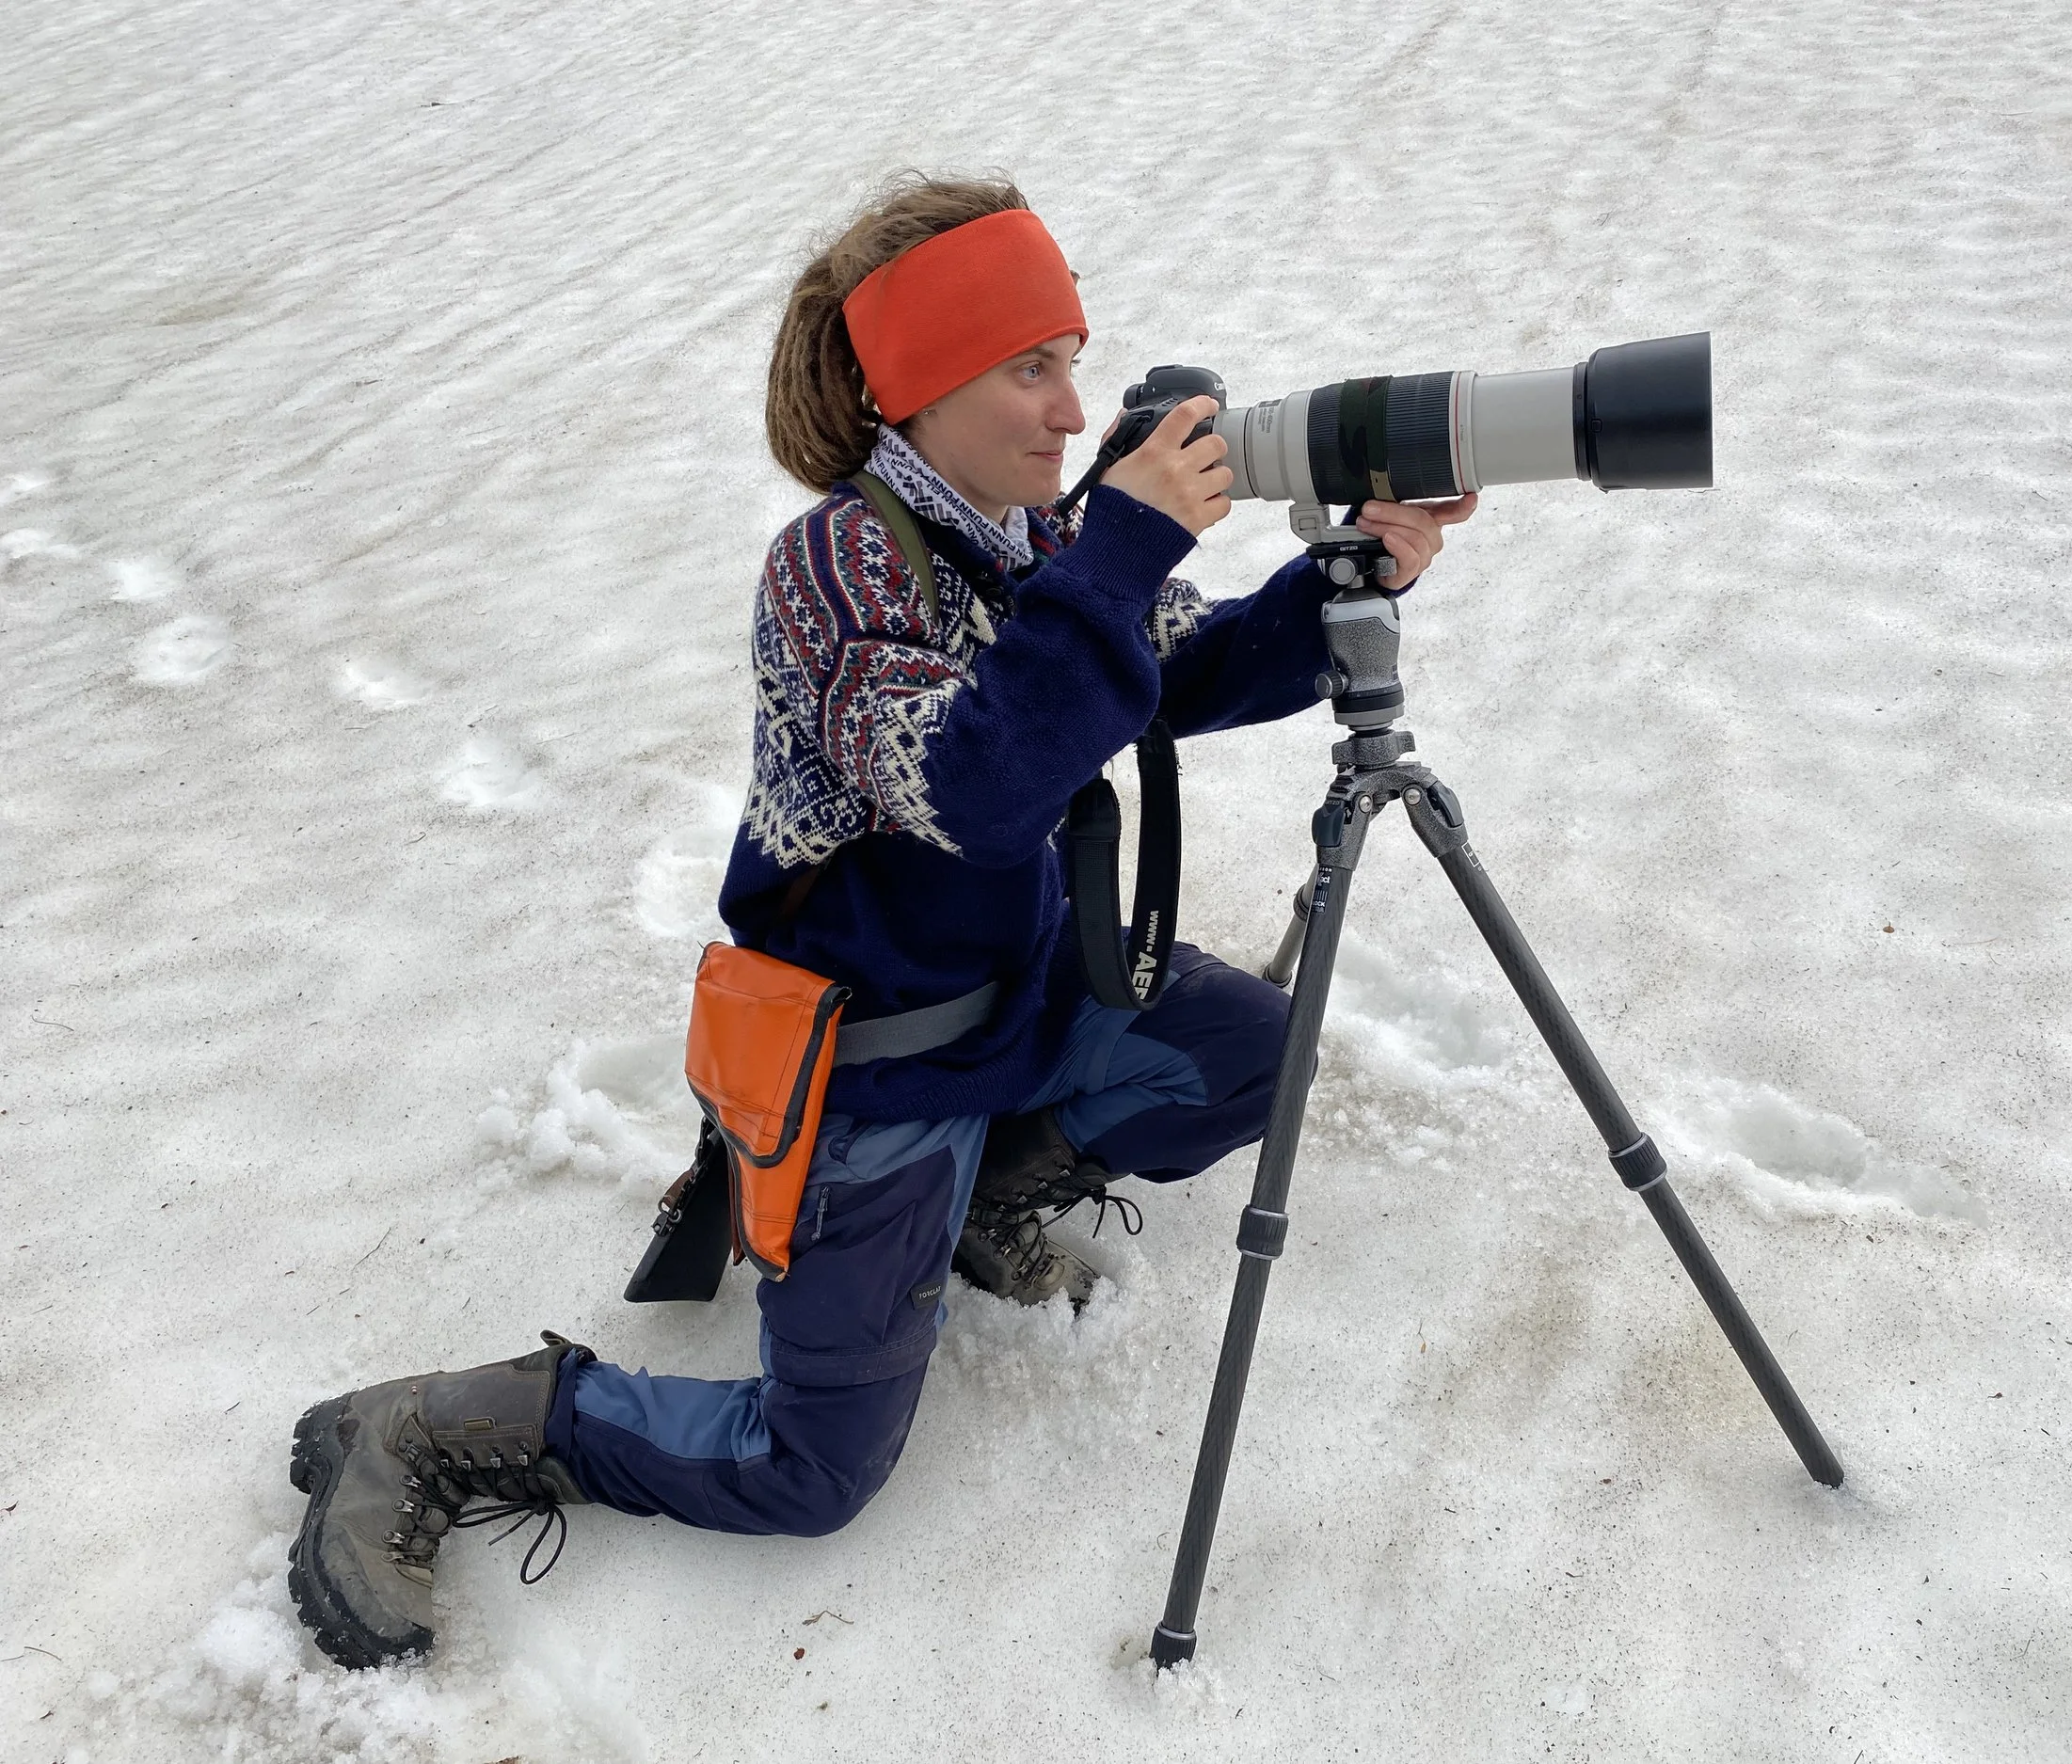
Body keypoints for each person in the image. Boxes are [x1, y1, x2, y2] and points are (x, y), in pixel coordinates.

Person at [285, 175, 1474, 1670]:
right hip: (879, 1069)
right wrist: (1116, 545)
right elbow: (974, 786)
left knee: (1254, 1054)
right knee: (811, 1471)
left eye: (1072, 356)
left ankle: (986, 1204)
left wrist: (1345, 575)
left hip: (1022, 999)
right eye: (1028, 367)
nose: (1070, 407)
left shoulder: (1035, 534)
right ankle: (429, 1429)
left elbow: (1189, 671)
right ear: (915, 391)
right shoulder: (837, 570)